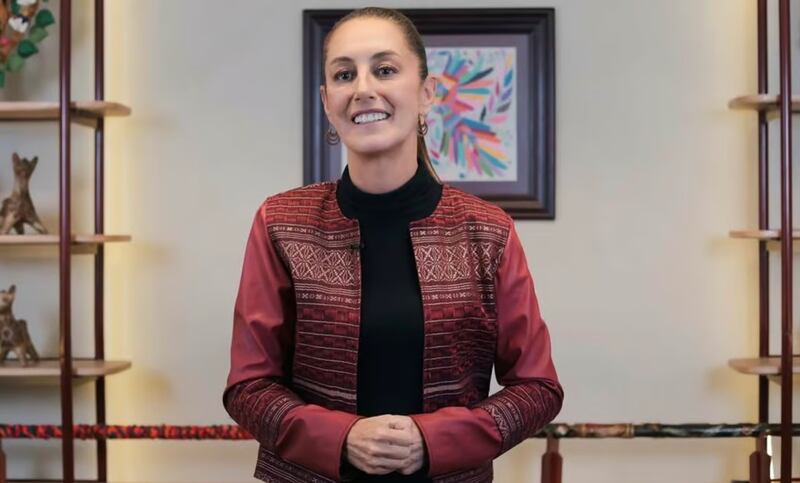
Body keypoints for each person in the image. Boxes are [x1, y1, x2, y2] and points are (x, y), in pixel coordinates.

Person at [222, 7, 564, 483]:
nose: (363, 88)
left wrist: (434, 439)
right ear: (327, 102)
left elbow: (538, 388)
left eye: (384, 69)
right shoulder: (280, 222)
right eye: (344, 74)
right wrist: (341, 438)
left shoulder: (488, 231)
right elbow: (248, 386)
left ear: (426, 93)